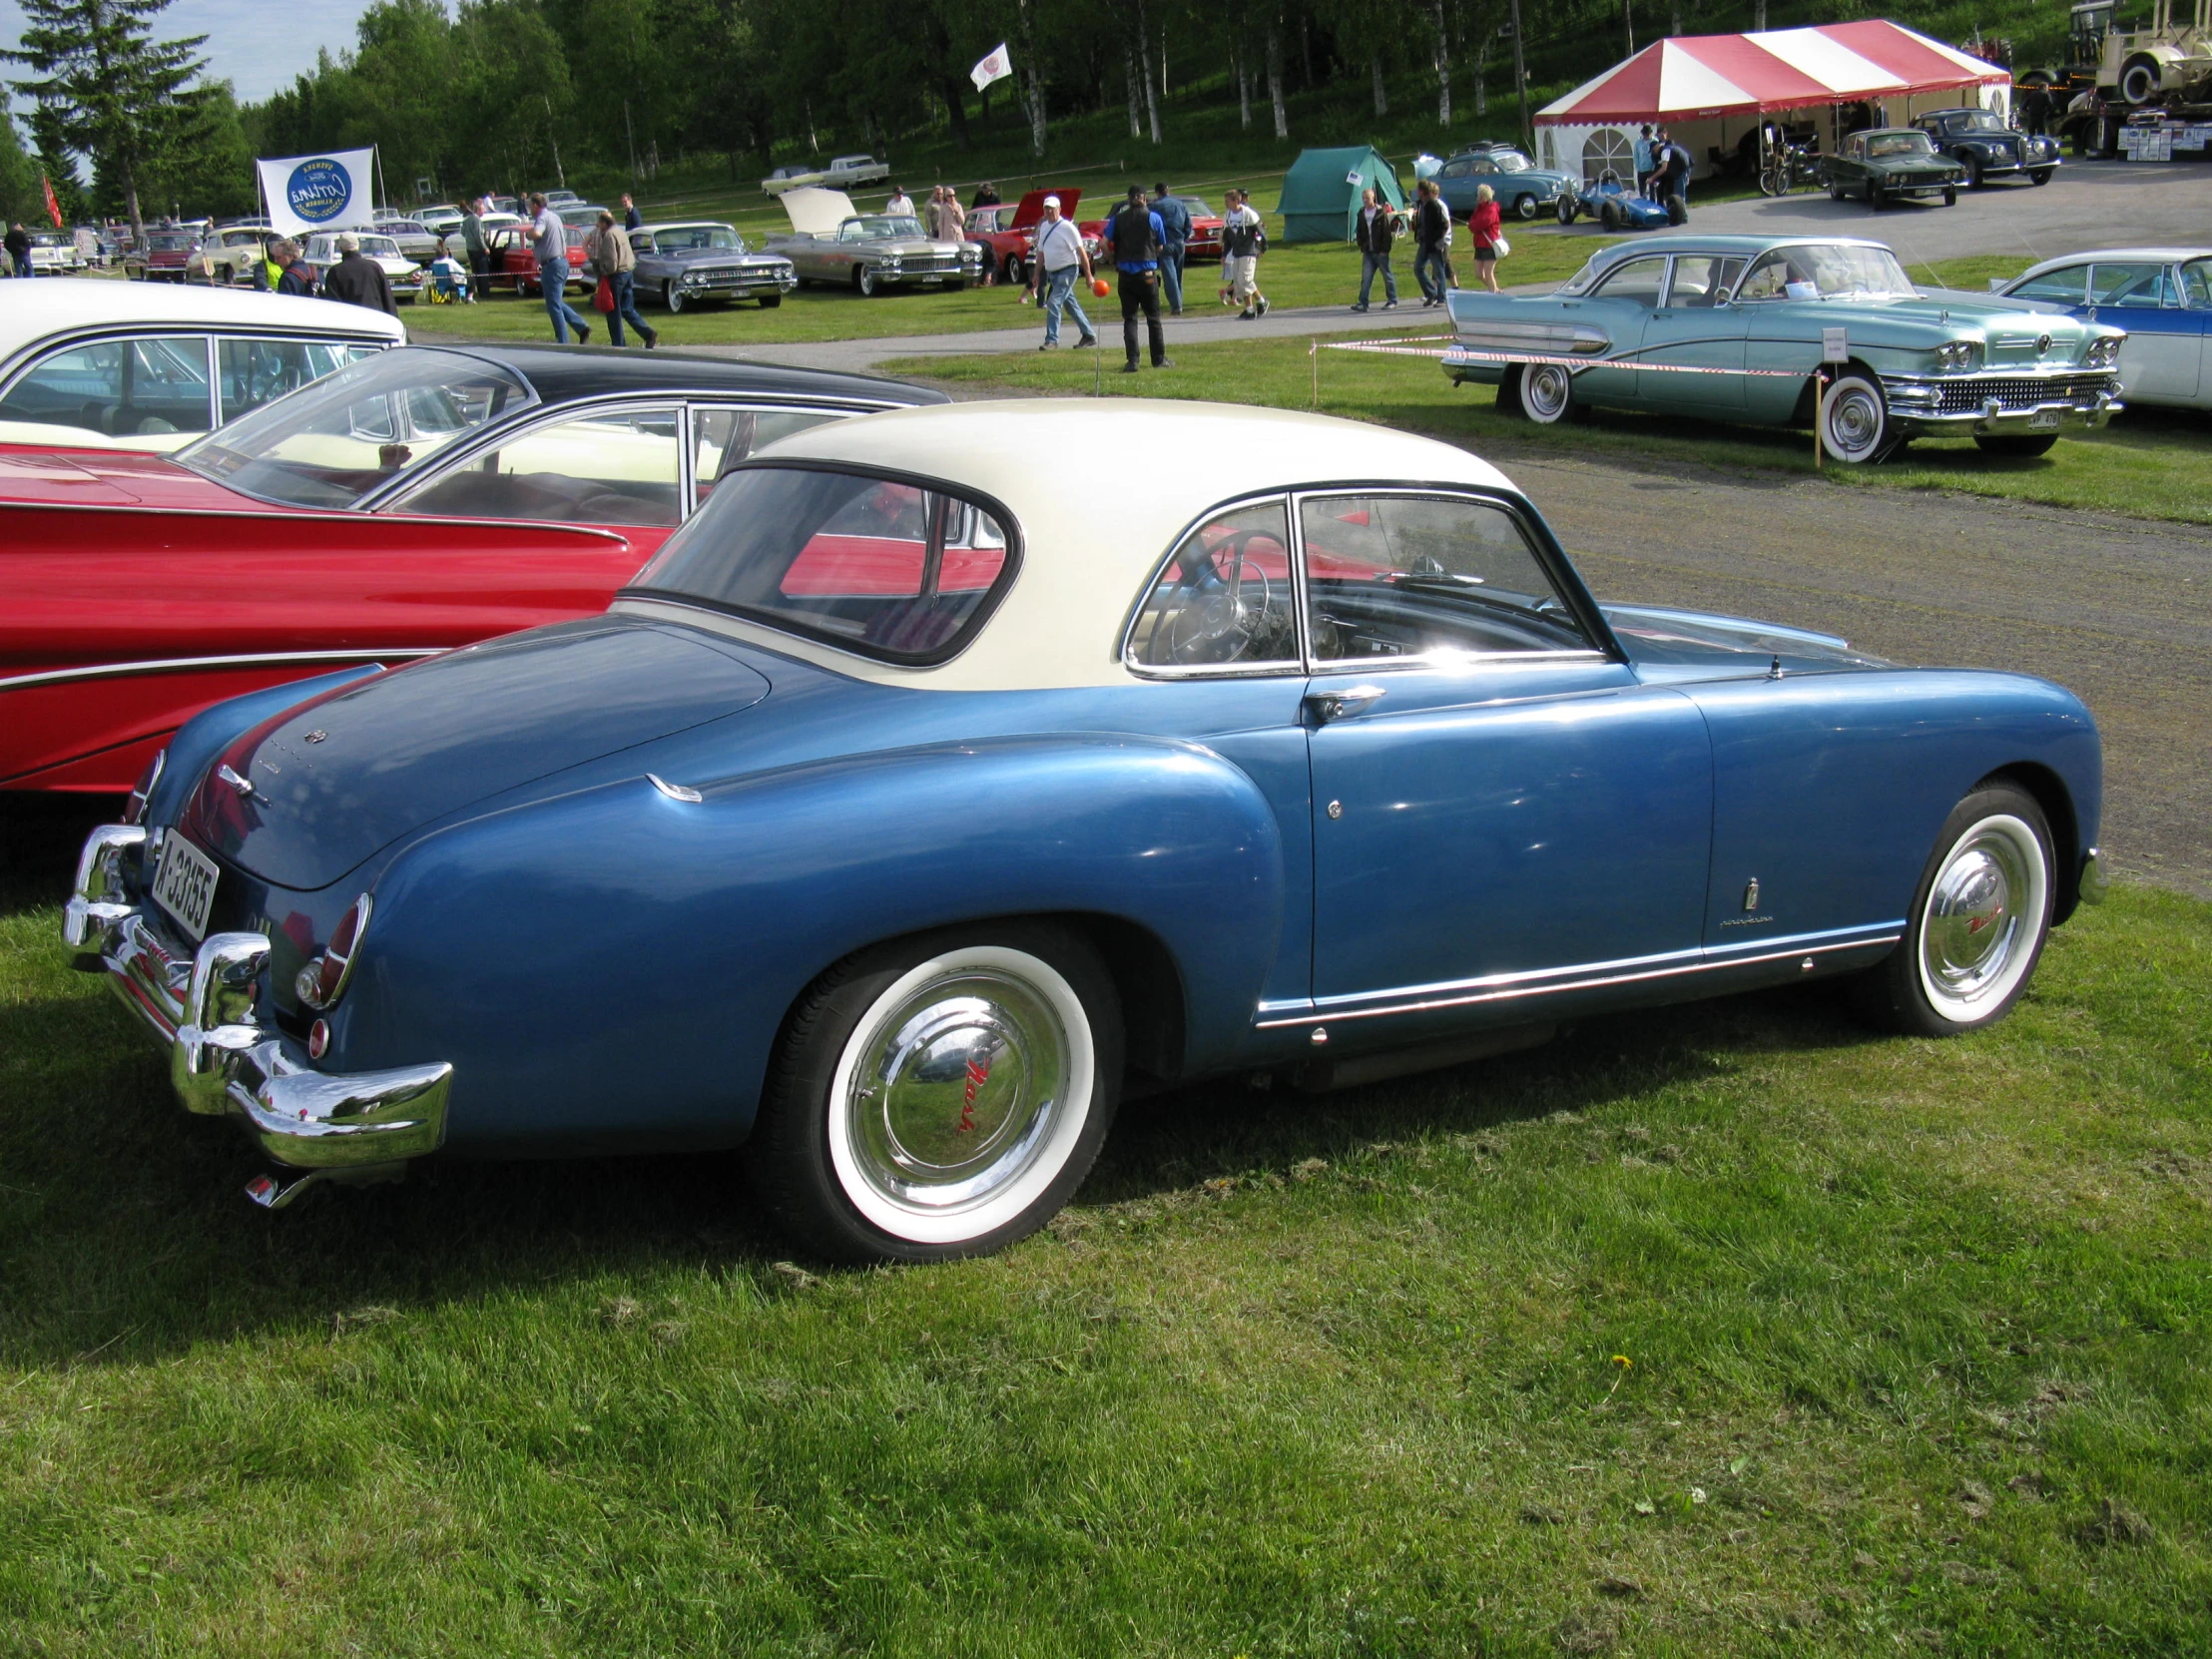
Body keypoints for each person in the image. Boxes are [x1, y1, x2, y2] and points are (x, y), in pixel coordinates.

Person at [1101, 185, 1170, 373]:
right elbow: (1161, 246)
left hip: (1125, 275)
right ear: (1145, 199)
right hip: (1147, 275)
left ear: (1129, 199)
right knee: (1153, 318)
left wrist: (1111, 258)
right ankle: (1158, 358)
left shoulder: (1118, 219)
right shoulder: (1154, 218)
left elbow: (1103, 243)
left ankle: (1133, 360)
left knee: (1130, 319)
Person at [1026, 194, 1098, 350]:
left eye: (1052, 209)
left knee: (1053, 302)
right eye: (1047, 209)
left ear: (1059, 209)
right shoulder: (1044, 227)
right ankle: (1089, 334)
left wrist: (1089, 275)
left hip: (1068, 270)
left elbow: (1081, 252)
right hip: (1052, 272)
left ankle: (1052, 340)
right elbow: (1041, 253)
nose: (1050, 212)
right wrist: (1037, 274)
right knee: (1071, 305)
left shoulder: (1067, 227)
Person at [588, 209, 656, 347]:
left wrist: (603, 271)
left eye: (598, 224)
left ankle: (618, 344)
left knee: (612, 311)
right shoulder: (620, 231)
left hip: (616, 276)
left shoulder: (608, 235)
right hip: (628, 272)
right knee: (627, 308)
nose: (598, 227)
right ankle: (647, 333)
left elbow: (611, 260)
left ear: (604, 223)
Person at [530, 191, 591, 343]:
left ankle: (563, 341)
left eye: (531, 206)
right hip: (562, 262)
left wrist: (528, 235)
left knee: (553, 305)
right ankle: (581, 327)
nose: (530, 209)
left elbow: (537, 233)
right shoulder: (555, 216)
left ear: (536, 205)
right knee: (556, 300)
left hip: (552, 265)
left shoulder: (542, 217)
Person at [1221, 188, 1268, 319]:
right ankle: (1257, 305)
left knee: (1245, 280)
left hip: (1248, 251)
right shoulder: (1227, 216)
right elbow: (1227, 239)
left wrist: (1261, 248)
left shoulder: (1248, 215)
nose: (1226, 204)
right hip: (1236, 253)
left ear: (1236, 200)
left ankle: (1252, 308)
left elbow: (1261, 232)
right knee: (1239, 282)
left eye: (1228, 201)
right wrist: (1224, 254)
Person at [321, 232, 397, 313]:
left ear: (340, 248)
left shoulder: (335, 272)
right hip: (376, 319)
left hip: (352, 322)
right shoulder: (374, 267)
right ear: (358, 246)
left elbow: (334, 304)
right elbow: (388, 299)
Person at [1352, 187, 1398, 312]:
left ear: (1373, 198)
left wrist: (1385, 250)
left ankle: (1392, 300)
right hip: (1368, 251)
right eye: (1363, 198)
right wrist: (1361, 244)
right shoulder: (1361, 213)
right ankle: (1363, 303)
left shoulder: (1380, 213)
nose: (1365, 200)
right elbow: (1360, 230)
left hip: (1380, 251)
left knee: (1387, 276)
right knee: (1366, 277)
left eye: (1367, 198)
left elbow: (1387, 233)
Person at [1150, 182, 1190, 315]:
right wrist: (1185, 237)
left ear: (1157, 192)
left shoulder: (1155, 206)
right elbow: (1188, 223)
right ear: (1168, 190)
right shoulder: (1180, 204)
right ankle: (1179, 300)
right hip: (1179, 242)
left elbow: (1152, 225)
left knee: (1169, 276)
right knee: (1178, 275)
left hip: (1165, 243)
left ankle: (1176, 305)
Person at [1410, 178, 1450, 307]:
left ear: (1422, 191)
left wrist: (1439, 239)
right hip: (1424, 242)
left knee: (1438, 270)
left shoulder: (1434, 205)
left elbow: (1445, 224)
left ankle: (1442, 298)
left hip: (1434, 243)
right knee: (1418, 268)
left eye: (1418, 190)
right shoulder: (1421, 205)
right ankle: (1431, 293)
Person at [1468, 184, 1503, 294]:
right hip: (1479, 244)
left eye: (1478, 195)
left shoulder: (1492, 209)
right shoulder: (1478, 209)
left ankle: (1493, 294)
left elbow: (1482, 223)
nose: (1477, 197)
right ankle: (1495, 289)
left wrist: (1473, 224)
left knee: (1489, 273)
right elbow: (1473, 223)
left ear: (1483, 196)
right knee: (1479, 274)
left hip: (1489, 245)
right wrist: (1473, 224)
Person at [429, 235, 472, 302]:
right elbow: (462, 271)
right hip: (452, 283)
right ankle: (469, 298)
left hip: (440, 284)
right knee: (471, 278)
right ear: (446, 252)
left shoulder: (434, 263)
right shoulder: (449, 261)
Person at [461, 197, 487, 280]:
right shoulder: (477, 220)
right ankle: (485, 292)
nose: (485, 211)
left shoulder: (466, 220)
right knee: (483, 274)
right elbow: (478, 236)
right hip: (478, 250)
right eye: (483, 209)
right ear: (478, 210)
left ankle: (480, 291)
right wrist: (484, 248)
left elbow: (463, 233)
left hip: (470, 249)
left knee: (476, 273)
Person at [1633, 125, 1655, 199]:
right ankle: (1644, 204)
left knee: (1653, 190)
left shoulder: (1655, 141)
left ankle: (1653, 203)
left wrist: (1654, 167)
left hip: (1651, 169)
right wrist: (1638, 167)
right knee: (1642, 190)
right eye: (1645, 134)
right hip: (1642, 169)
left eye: (1648, 134)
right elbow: (1636, 156)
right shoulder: (1638, 143)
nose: (1646, 135)